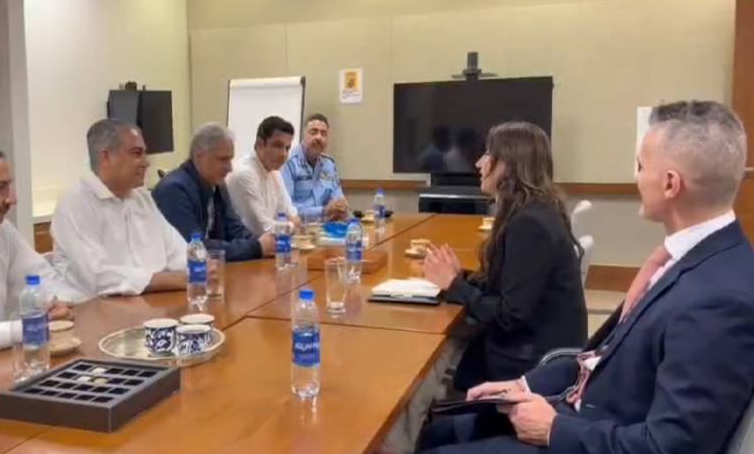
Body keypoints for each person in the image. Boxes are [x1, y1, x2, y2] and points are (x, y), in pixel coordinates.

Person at [418, 101, 754, 454]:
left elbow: (671, 446)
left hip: (586, 434)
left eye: (640, 166)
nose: (636, 178)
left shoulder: (719, 299)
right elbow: (600, 357)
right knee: (439, 432)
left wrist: (554, 429)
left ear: (670, 184)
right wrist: (524, 385)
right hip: (581, 409)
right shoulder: (686, 261)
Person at [424, 121, 587, 392]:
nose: (479, 163)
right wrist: (460, 278)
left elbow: (510, 315)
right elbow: (510, 284)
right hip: (535, 348)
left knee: (433, 354)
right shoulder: (533, 210)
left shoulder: (530, 224)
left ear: (509, 164)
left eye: (488, 154)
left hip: (530, 363)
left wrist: (454, 285)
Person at [0, 139, 73, 358]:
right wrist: (20, 329)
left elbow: (40, 278)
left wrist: (54, 302)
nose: (12, 199)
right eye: (0, 188)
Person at [51, 119, 189, 302]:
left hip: (152, 304)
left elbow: (178, 252)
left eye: (144, 153)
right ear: (106, 158)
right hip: (96, 312)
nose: (146, 163)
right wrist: (168, 280)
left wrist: (200, 267)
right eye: (136, 153)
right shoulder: (75, 203)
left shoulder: (142, 198)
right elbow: (97, 277)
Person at [152, 124, 276, 262]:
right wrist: (256, 247)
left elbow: (235, 230)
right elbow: (195, 248)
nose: (229, 168)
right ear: (198, 156)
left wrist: (266, 244)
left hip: (214, 270)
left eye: (230, 159)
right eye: (223, 159)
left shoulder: (217, 184)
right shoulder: (173, 190)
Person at [226, 116, 300, 236]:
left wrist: (289, 224)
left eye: (287, 148)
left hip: (268, 244)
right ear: (260, 144)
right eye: (277, 146)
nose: (284, 154)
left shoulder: (275, 173)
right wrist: (291, 226)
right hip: (243, 245)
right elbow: (263, 229)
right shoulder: (244, 174)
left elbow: (291, 215)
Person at [281, 113, 348, 221]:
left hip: (325, 227)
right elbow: (286, 209)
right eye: (313, 132)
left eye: (323, 134)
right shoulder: (288, 163)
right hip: (298, 227)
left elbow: (338, 197)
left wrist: (341, 207)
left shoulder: (329, 165)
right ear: (303, 136)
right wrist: (323, 211)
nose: (319, 137)